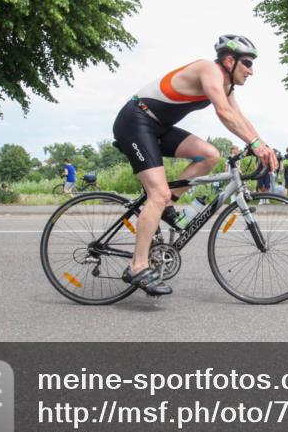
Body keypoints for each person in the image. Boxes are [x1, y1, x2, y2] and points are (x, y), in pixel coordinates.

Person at [111, 34, 278, 296]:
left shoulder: (226, 86)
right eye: (247, 63)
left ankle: (166, 205)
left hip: (157, 126)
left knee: (209, 155)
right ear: (229, 60)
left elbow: (239, 117)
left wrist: (264, 146)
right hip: (135, 121)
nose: (251, 71)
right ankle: (137, 266)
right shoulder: (208, 69)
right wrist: (256, 145)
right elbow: (223, 113)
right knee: (158, 192)